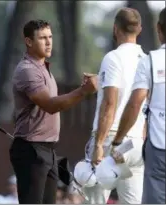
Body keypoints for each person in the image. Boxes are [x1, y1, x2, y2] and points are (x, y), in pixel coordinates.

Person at [10, 19, 97, 204]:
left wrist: (82, 90)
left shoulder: (44, 69)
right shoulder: (27, 70)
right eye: (42, 38)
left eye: (50, 37)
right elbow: (50, 105)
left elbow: (56, 102)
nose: (49, 42)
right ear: (29, 41)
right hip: (31, 149)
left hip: (47, 150)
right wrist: (83, 91)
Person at [84, 8, 147, 204]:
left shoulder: (113, 58)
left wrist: (98, 145)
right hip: (136, 142)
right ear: (140, 29)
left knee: (94, 200)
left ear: (115, 28)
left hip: (111, 138)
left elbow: (110, 103)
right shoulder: (146, 61)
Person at [112, 7, 166, 204]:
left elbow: (135, 104)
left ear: (159, 29)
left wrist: (118, 140)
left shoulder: (150, 61)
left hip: (159, 146)